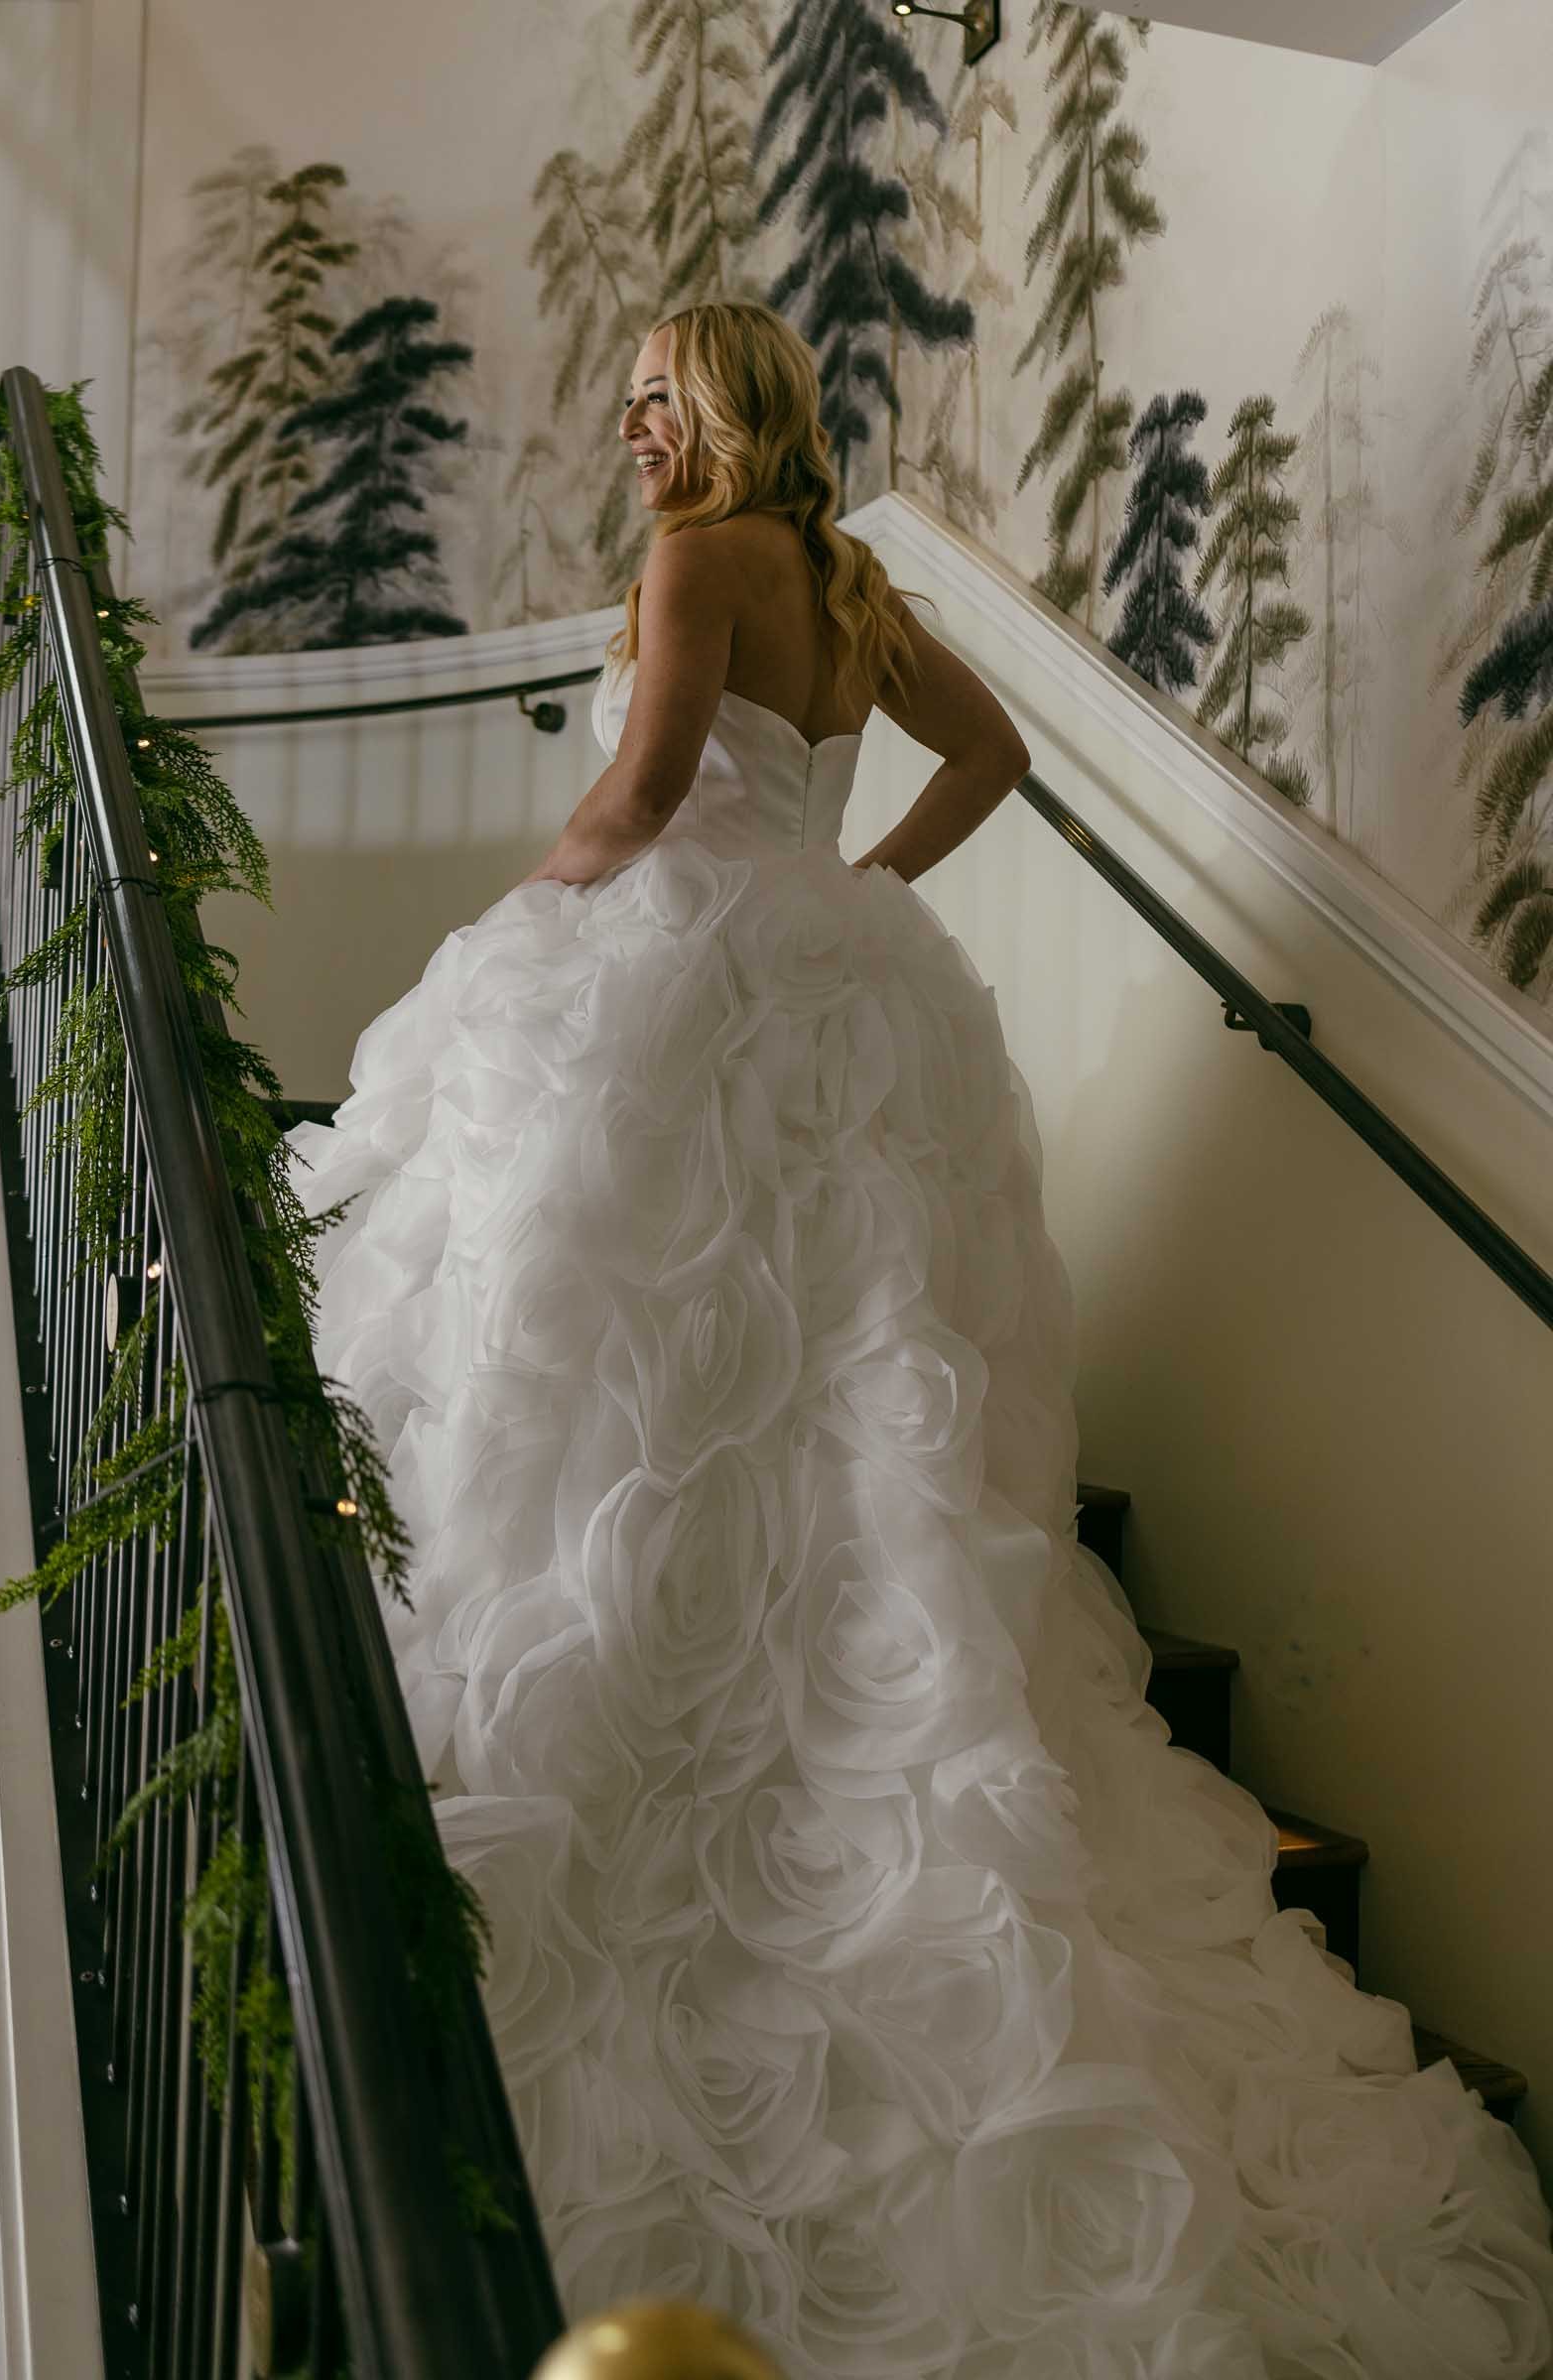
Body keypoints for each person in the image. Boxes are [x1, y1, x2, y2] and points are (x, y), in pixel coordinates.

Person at [285, 300, 1553, 2377]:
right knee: (816, 1403)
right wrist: (842, 881)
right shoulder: (849, 581)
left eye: (648, 396)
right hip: (835, 1004)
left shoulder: (696, 557)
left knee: (642, 1362)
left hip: (693, 996)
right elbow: (993, 752)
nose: (624, 424)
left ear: (713, 410)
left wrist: (517, 919)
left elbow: (643, 782)